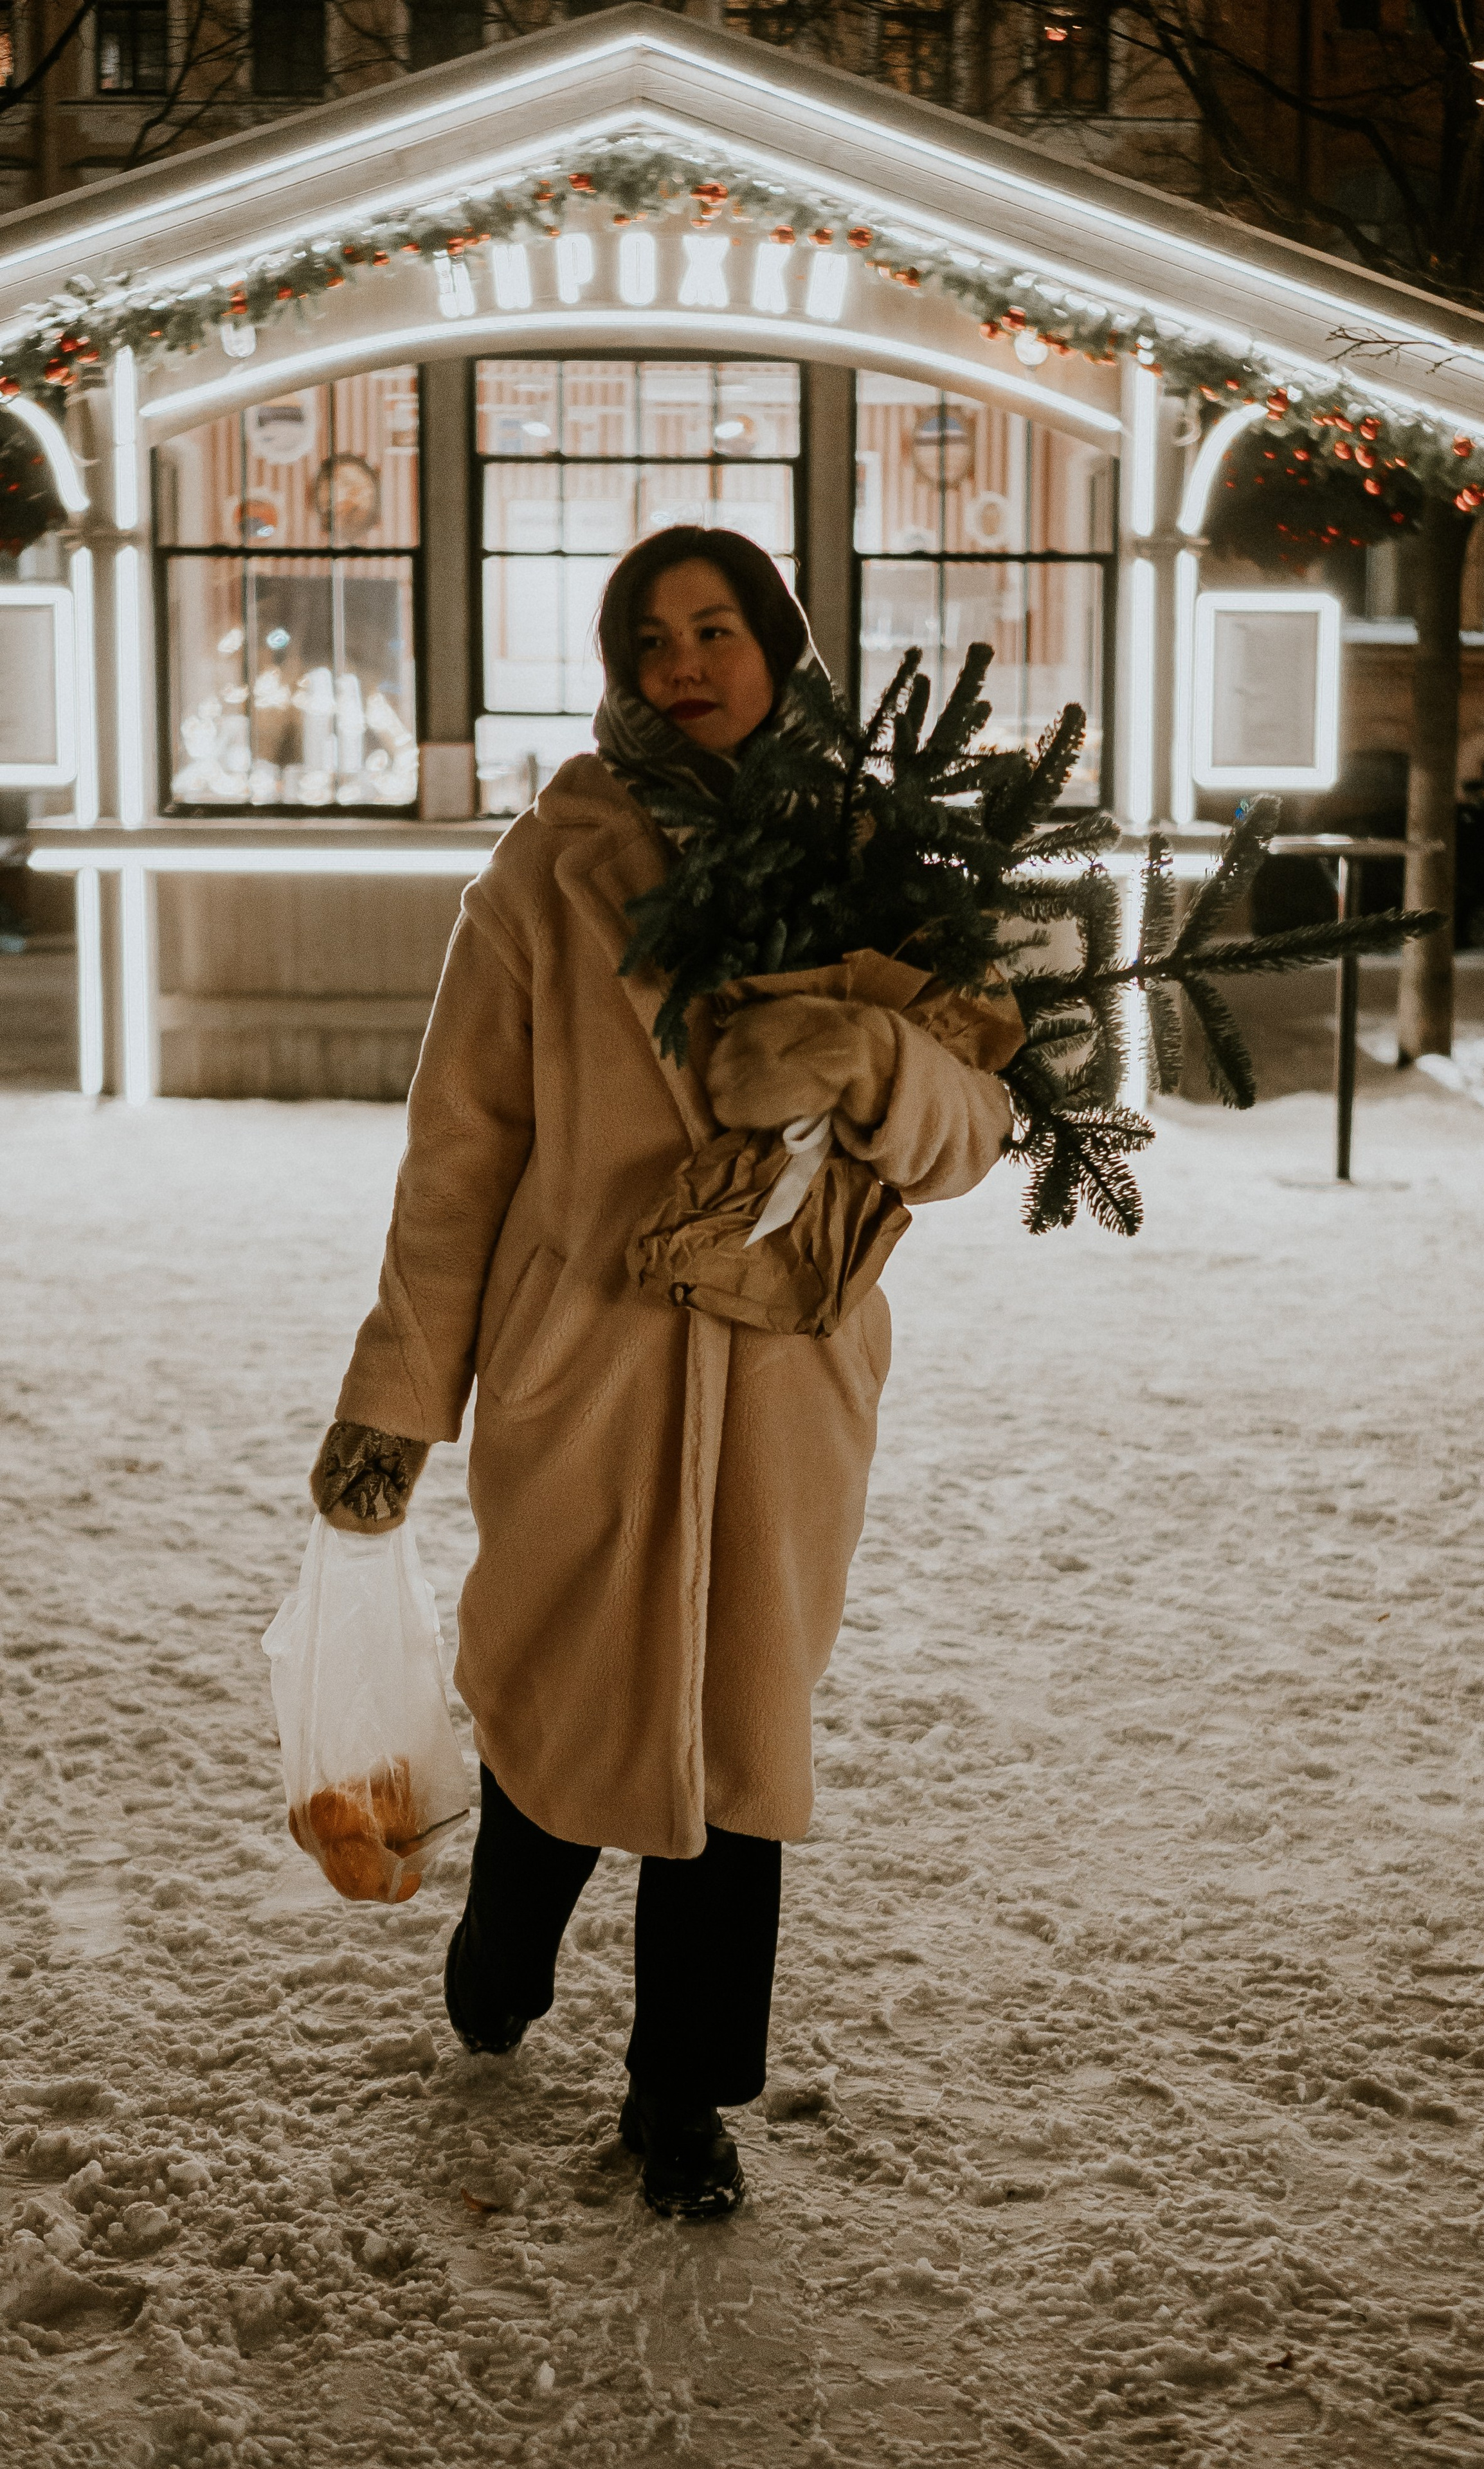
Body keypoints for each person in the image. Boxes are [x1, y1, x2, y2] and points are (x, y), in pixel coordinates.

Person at [309, 527, 1012, 2220]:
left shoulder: (880, 865)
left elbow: (978, 1128)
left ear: (779, 646)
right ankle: (506, 1938)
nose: (686, 661)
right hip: (589, 1355)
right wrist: (402, 1396)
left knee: (738, 1743)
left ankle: (681, 2096)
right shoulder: (550, 866)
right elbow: (461, 1147)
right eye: (651, 635)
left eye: (717, 628)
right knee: (564, 1692)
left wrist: (868, 1058)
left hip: (787, 1375)